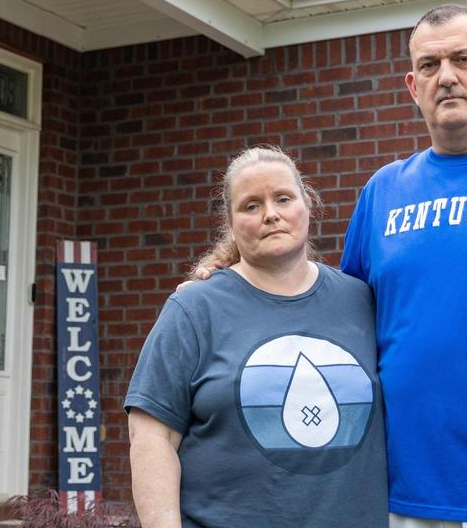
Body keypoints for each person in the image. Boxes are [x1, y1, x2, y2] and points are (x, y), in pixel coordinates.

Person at [193, 5, 467, 528]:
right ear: (413, 86)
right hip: (396, 503)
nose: (446, 76)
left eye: (463, 59)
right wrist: (235, 276)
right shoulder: (384, 192)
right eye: (429, 65)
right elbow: (333, 317)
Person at [126, 146, 388, 528]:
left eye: (283, 198)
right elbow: (152, 437)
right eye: (251, 205)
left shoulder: (363, 300)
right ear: (231, 224)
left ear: (307, 205)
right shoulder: (194, 308)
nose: (270, 214)